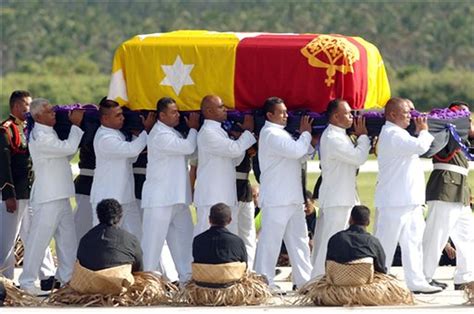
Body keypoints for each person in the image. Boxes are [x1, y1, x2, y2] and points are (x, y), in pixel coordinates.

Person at [374, 97, 441, 294]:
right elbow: (421, 147)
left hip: (409, 199)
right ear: (392, 114)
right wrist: (424, 131)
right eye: (406, 114)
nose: (410, 117)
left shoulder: (399, 133)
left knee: (413, 242)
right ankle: (378, 280)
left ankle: (416, 281)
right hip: (394, 201)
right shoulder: (392, 133)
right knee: (386, 243)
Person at [19, 98, 84, 294]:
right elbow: (69, 149)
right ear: (38, 116)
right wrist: (75, 125)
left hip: (60, 194)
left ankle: (67, 280)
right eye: (49, 111)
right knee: (39, 241)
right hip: (48, 197)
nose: (53, 113)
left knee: (67, 241)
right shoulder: (40, 135)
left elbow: (64, 155)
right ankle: (27, 282)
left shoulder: (49, 132)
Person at [254, 96, 317, 291]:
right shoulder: (271, 133)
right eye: (281, 113)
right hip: (276, 198)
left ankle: (303, 280)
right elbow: (297, 150)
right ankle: (263, 281)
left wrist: (309, 140)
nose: (285, 115)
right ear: (269, 115)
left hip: (291, 197)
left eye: (286, 112)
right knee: (270, 242)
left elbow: (304, 153)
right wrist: (306, 134)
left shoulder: (282, 133)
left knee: (299, 242)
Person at [0, 91, 56, 288]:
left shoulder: (29, 128)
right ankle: (5, 281)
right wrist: (8, 195)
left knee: (37, 233)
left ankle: (48, 275)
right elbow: (3, 166)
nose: (30, 109)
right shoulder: (6, 130)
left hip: (30, 193)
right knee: (7, 240)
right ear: (16, 106)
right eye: (26, 105)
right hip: (13, 195)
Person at [141, 97, 199, 284]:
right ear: (162, 115)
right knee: (152, 246)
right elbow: (189, 147)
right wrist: (194, 128)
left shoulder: (172, 132)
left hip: (177, 198)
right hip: (160, 199)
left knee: (185, 244)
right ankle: (146, 285)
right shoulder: (159, 134)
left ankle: (187, 282)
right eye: (173, 112)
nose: (178, 115)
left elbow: (191, 151)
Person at [311, 99, 370, 278]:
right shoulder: (333, 137)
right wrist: (363, 137)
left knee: (325, 239)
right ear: (336, 116)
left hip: (340, 196)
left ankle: (318, 277)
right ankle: (317, 279)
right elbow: (358, 157)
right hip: (338, 198)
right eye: (348, 113)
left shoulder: (339, 134)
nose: (352, 117)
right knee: (330, 239)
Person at [423, 102, 474, 290]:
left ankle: (465, 277)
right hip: (445, 185)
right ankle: (424, 276)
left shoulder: (462, 137)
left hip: (460, 188)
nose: (467, 120)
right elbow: (444, 147)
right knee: (436, 235)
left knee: (467, 235)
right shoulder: (445, 131)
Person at [90, 99, 155, 240]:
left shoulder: (117, 134)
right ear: (105, 118)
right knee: (105, 239)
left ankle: (138, 263)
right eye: (118, 115)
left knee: (136, 237)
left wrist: (137, 135)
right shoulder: (104, 137)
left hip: (125, 196)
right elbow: (132, 150)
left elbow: (131, 158)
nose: (123, 118)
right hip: (107, 198)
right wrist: (146, 130)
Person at [193, 95, 256, 236]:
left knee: (228, 235)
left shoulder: (220, 131)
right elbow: (233, 150)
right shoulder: (208, 132)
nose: (225, 109)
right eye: (221, 107)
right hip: (211, 195)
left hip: (225, 193)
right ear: (209, 111)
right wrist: (247, 133)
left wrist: (240, 139)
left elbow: (234, 159)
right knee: (205, 235)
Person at [77, 198, 143, 272]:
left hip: (91, 281)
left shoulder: (85, 239)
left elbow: (80, 264)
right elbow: (139, 269)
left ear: (98, 215)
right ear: (120, 216)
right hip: (119, 281)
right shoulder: (131, 240)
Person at [326, 205, 386, 274]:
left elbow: (327, 264)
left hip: (337, 280)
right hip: (365, 280)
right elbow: (382, 269)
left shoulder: (335, 238)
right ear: (368, 222)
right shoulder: (373, 241)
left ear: (350, 219)